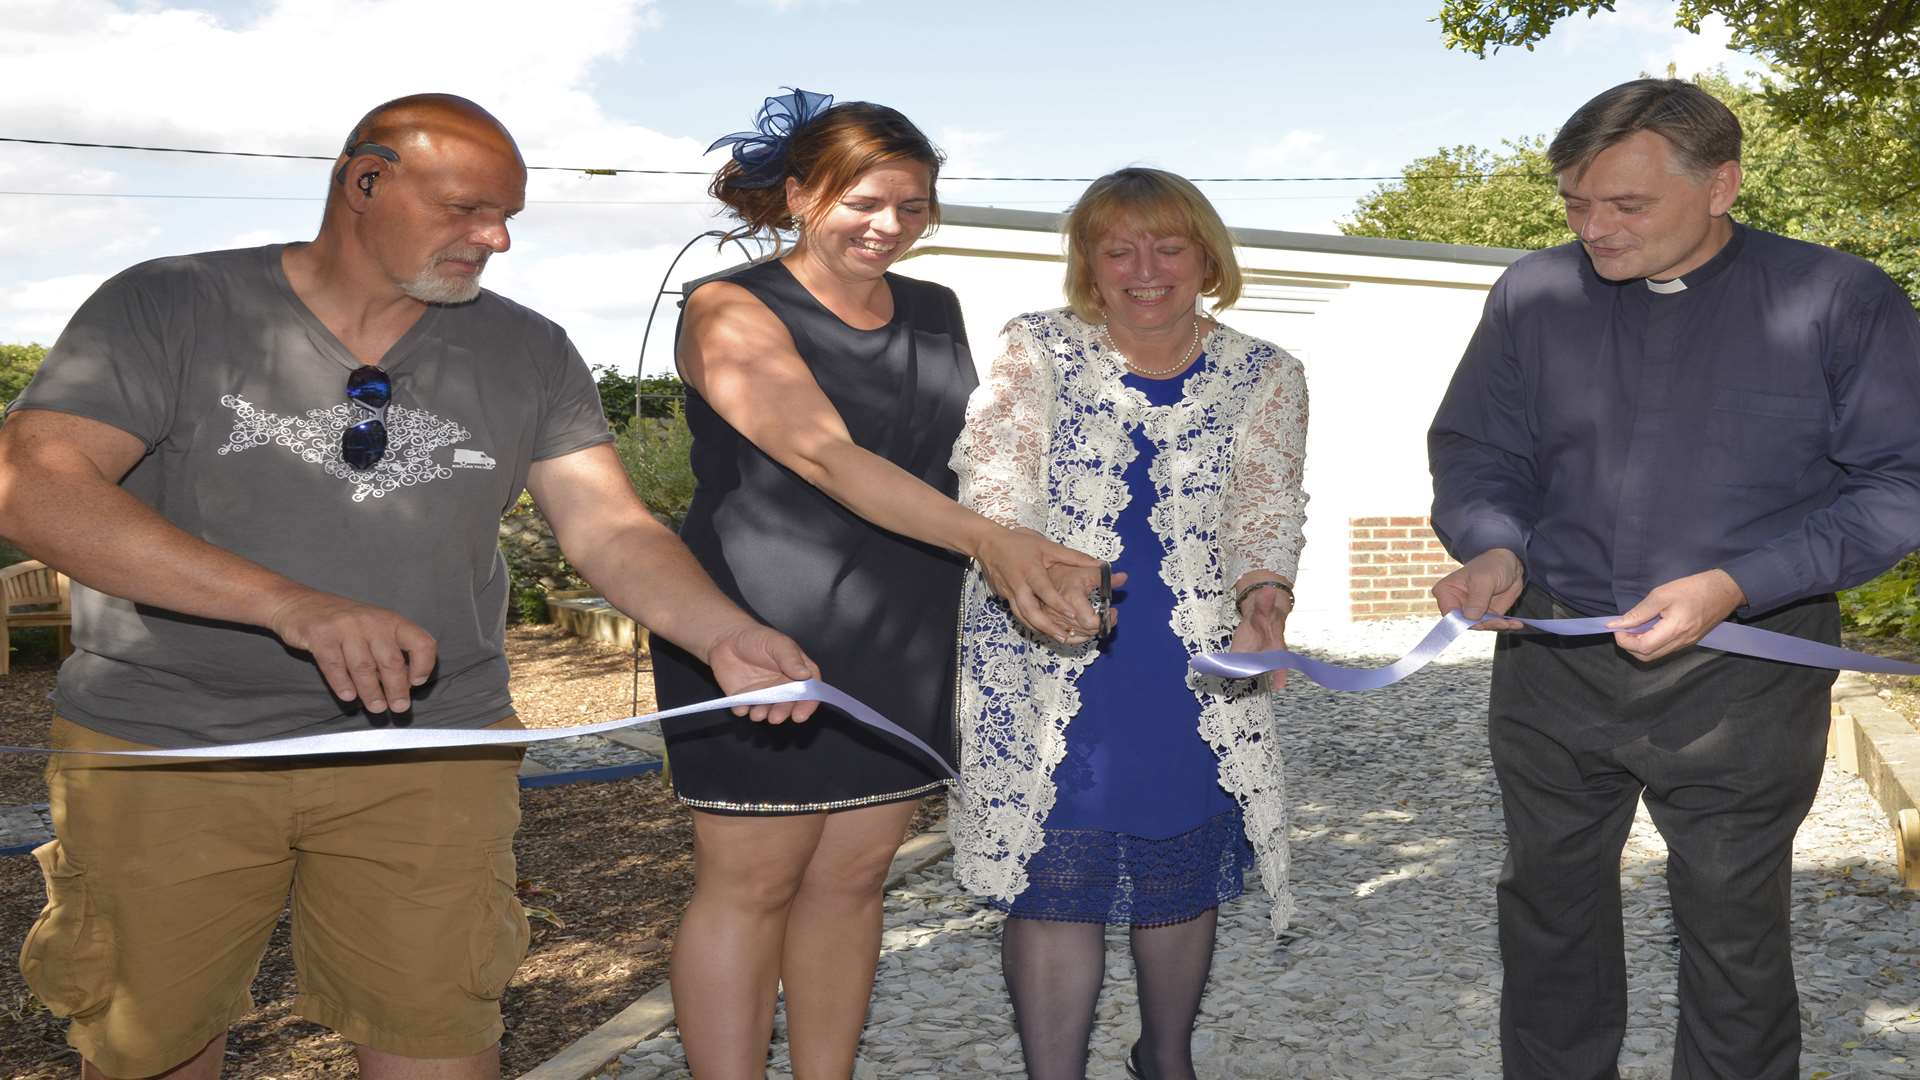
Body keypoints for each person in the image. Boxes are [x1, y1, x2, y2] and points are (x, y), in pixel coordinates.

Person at [0, 94, 819, 1080]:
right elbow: (35, 485)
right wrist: (291, 605)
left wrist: (722, 631)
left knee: (439, 1041)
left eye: (509, 213)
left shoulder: (529, 350)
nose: (498, 238)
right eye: (469, 209)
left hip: (432, 744)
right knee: (152, 1051)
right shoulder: (169, 305)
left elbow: (608, 527)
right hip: (170, 745)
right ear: (366, 181)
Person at [1428, 78, 1920, 1080]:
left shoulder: (1838, 299)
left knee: (1734, 928)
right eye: (1574, 203)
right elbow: (1479, 452)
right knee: (1546, 911)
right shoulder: (1533, 295)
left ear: (1722, 185)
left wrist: (1738, 582)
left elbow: (1899, 485)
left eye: (1626, 205)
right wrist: (1491, 545)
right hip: (1551, 660)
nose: (1592, 229)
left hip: (1740, 678)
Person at [655, 89, 1108, 1079]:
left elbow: (960, 463)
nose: (889, 225)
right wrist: (993, 544)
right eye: (866, 201)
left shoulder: (935, 308)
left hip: (900, 621)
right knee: (754, 881)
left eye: (912, 206)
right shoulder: (728, 306)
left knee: (855, 878)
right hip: (759, 623)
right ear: (803, 193)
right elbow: (823, 455)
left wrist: (1040, 544)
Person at [950, 167, 1308, 1080]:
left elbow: (1265, 505)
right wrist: (1028, 560)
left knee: (1179, 852)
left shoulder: (1267, 373)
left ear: (1206, 258)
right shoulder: (1037, 348)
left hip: (1188, 660)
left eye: (1169, 245)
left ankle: (1168, 1057)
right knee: (1055, 870)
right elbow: (997, 477)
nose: (1145, 268)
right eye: (1119, 249)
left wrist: (1264, 603)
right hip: (1048, 644)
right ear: (1090, 264)